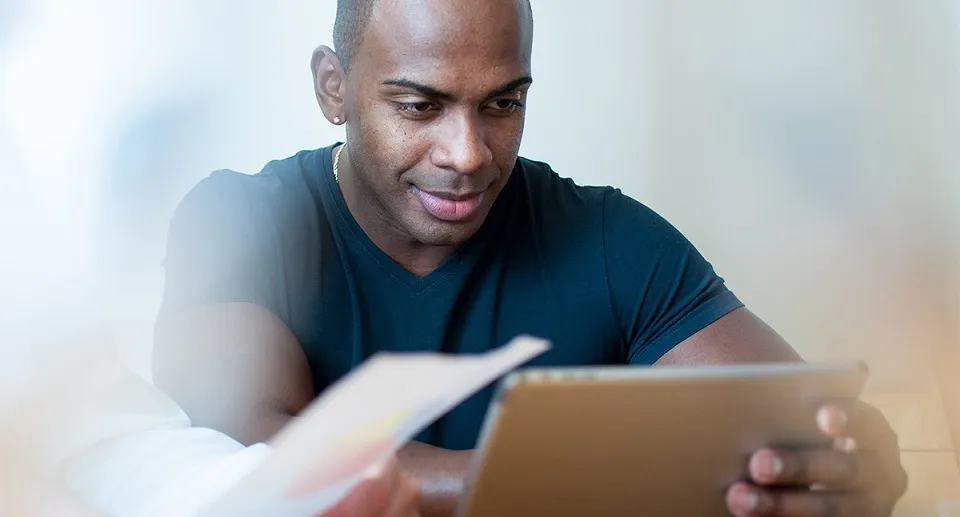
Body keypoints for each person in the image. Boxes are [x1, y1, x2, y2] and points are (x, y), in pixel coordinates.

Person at [152, 0, 909, 516]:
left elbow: (782, 419)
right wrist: (576, 476)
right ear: (333, 87)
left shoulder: (613, 239)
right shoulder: (238, 220)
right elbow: (257, 440)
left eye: (502, 103)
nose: (468, 154)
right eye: (420, 106)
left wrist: (842, 459)